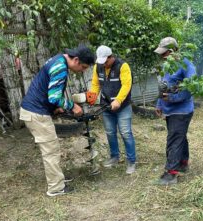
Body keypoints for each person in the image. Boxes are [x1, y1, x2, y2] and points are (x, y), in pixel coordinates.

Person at [19, 45, 95, 196]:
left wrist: (56, 107)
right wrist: (73, 106)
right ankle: (56, 188)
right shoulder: (61, 68)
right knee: (51, 150)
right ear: (76, 60)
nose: (83, 70)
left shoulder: (58, 59)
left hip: (35, 109)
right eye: (83, 67)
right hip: (36, 113)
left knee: (52, 148)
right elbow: (54, 97)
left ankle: (57, 179)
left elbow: (48, 90)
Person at [86, 45, 136, 174]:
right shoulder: (98, 66)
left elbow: (126, 85)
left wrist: (118, 100)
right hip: (106, 105)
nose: (104, 64)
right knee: (110, 132)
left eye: (106, 61)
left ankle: (131, 161)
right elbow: (96, 84)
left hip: (123, 106)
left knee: (125, 133)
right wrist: (92, 97)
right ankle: (114, 157)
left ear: (111, 57)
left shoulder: (123, 66)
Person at [154, 37, 195, 185]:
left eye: (164, 53)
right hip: (169, 110)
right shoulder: (167, 66)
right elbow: (163, 86)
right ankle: (183, 163)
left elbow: (191, 89)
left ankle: (171, 173)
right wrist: (159, 103)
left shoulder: (186, 64)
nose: (162, 56)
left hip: (182, 110)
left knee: (174, 139)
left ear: (173, 51)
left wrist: (172, 98)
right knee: (180, 137)